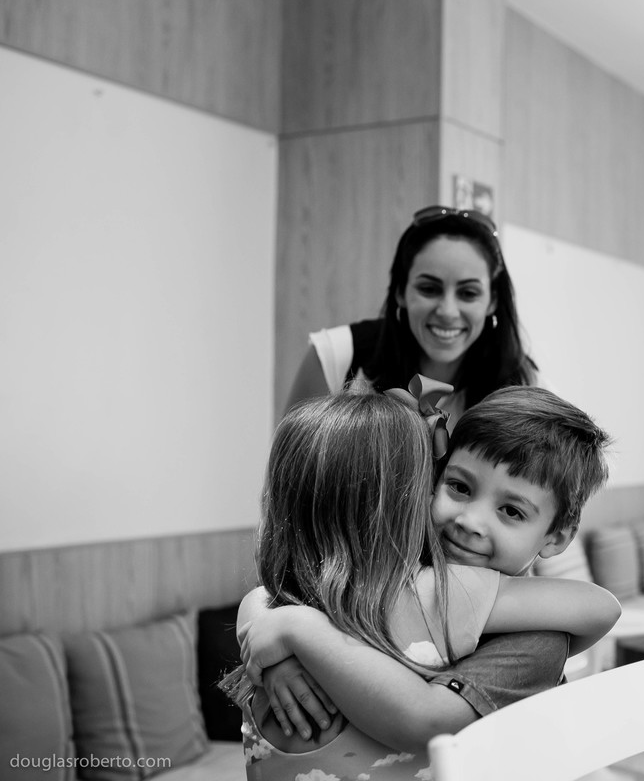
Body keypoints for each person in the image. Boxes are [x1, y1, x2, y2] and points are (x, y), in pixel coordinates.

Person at [227, 384, 619, 780]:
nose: (469, 521)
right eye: (459, 488)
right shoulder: (392, 572)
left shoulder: (533, 633)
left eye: (511, 511)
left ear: (556, 538)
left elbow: (602, 608)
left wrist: (293, 629)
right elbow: (271, 593)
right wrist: (274, 633)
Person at [285, 205, 538, 425]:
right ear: (400, 291)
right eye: (429, 289)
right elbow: (290, 472)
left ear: (493, 301)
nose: (447, 311)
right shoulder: (337, 355)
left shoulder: (522, 383)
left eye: (468, 293)